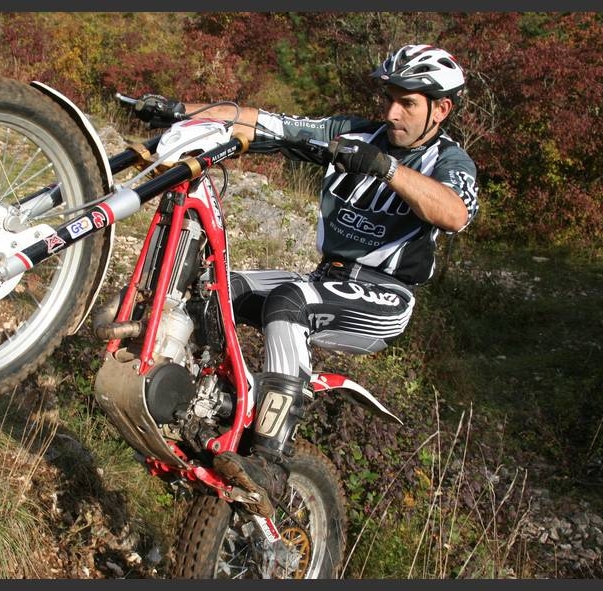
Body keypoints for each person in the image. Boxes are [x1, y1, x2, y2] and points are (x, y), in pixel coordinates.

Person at [139, 44, 479, 517]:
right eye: (389, 99)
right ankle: (199, 408)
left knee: (289, 300)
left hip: (386, 295)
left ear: (440, 110)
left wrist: (386, 168)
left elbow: (455, 213)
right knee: (213, 287)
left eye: (408, 103)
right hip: (326, 276)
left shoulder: (450, 161)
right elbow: (267, 123)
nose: (392, 112)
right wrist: (181, 112)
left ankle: (270, 460)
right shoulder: (355, 133)